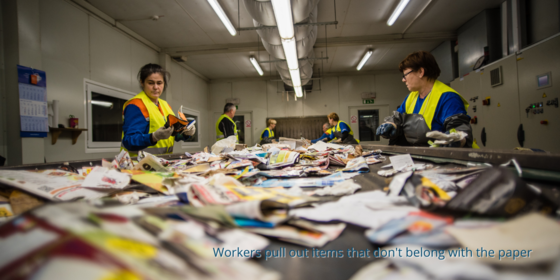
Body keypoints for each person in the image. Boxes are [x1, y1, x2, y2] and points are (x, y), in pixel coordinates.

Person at [376, 51, 478, 148]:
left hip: (454, 160)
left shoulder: (448, 98)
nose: (403, 80)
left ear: (421, 72)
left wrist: (455, 140)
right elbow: (398, 118)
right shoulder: (411, 97)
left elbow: (462, 132)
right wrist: (391, 125)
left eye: (405, 75)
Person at [121, 63, 196, 156]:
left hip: (161, 163)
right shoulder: (136, 105)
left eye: (159, 83)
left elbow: (171, 135)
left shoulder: (165, 105)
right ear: (142, 82)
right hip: (139, 166)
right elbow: (129, 141)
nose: (156, 87)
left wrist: (185, 133)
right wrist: (153, 137)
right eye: (150, 83)